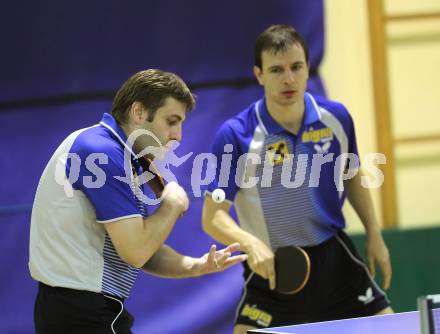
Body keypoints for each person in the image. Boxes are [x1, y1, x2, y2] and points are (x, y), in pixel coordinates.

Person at [202, 25, 393, 333]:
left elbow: (352, 173)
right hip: (274, 267)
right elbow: (212, 218)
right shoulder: (236, 135)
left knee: (393, 327)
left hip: (335, 262)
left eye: (296, 67)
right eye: (276, 70)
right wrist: (250, 244)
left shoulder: (336, 118)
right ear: (259, 74)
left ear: (307, 69)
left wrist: (374, 233)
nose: (288, 79)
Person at [29, 69, 247, 334]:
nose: (178, 135)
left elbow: (146, 250)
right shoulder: (100, 152)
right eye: (172, 121)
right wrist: (172, 203)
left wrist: (196, 265)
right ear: (138, 112)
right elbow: (136, 251)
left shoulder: (122, 155)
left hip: (80, 309)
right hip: (82, 314)